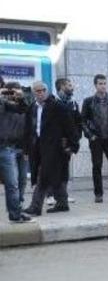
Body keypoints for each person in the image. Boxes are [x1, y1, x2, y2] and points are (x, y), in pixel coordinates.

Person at [23, 82, 78, 216]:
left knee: (44, 175)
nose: (40, 93)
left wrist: (73, 145)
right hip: (37, 147)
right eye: (37, 91)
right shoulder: (31, 108)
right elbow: (27, 130)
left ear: (47, 91)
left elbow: (70, 126)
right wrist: (26, 149)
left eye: (43, 90)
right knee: (54, 175)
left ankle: (35, 206)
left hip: (54, 147)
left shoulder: (57, 107)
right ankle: (62, 203)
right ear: (33, 93)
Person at [80, 74, 108, 203]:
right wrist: (90, 135)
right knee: (97, 166)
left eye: (104, 83)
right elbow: (82, 121)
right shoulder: (88, 101)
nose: (103, 86)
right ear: (95, 85)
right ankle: (98, 193)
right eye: (100, 83)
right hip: (96, 138)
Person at [0, 84, 32, 223]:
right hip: (6, 148)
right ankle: (16, 212)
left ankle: (16, 211)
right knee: (13, 183)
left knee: (18, 182)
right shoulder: (2, 103)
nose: (10, 94)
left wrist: (21, 97)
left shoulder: (11, 102)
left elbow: (23, 109)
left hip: (15, 148)